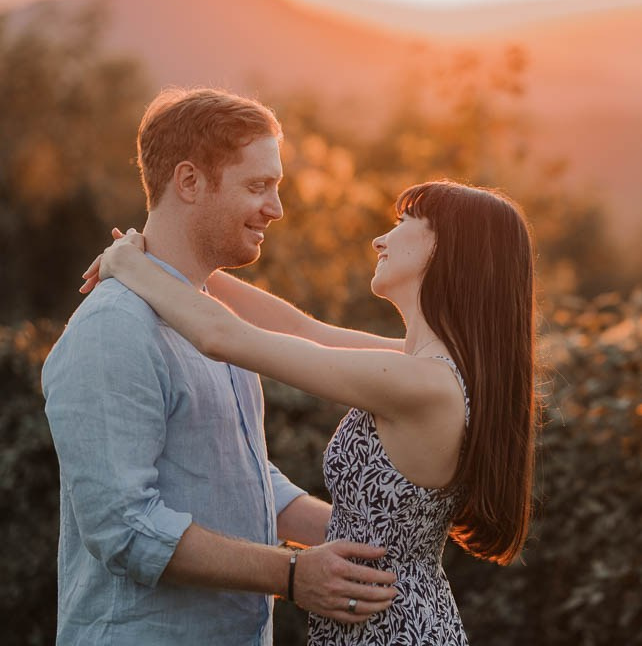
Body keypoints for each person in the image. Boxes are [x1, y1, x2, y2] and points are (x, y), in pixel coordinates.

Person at [90, 178, 538, 645]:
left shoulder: (422, 384)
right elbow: (302, 329)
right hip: (390, 619)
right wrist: (175, 263)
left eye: (403, 221)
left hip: (393, 630)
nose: (379, 238)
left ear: (448, 250)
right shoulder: (427, 370)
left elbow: (225, 338)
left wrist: (132, 266)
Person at [43, 88, 398, 645]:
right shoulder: (114, 329)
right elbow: (126, 529)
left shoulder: (216, 319)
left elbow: (243, 482)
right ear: (189, 182)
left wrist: (379, 540)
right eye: (258, 186)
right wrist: (290, 574)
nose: (276, 209)